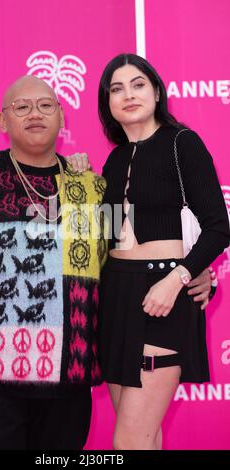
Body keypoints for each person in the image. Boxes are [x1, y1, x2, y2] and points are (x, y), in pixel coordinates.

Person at [0, 75, 108, 450]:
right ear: (2, 121)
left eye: (45, 106)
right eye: (21, 107)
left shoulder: (90, 188)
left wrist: (192, 271)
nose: (34, 115)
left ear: (61, 116)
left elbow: (125, 262)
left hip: (70, 384)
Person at [69, 53, 229, 450]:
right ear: (107, 103)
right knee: (143, 436)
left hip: (163, 296)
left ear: (156, 91)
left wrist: (180, 277)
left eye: (138, 84)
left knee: (129, 442)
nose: (128, 95)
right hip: (116, 297)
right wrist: (79, 187)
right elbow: (101, 238)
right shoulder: (114, 159)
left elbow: (218, 228)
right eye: (116, 88)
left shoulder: (183, 143)